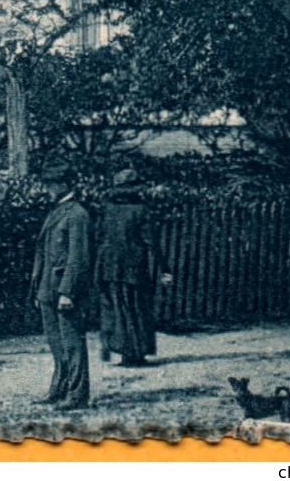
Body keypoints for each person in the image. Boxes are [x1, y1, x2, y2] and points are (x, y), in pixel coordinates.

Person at [30, 163, 93, 410]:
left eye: (50, 185)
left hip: (65, 291)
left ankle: (77, 395)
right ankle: (59, 389)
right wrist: (40, 289)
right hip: (48, 288)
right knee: (57, 345)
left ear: (64, 185)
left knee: (72, 343)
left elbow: (78, 257)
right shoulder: (58, 210)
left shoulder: (77, 214)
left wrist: (68, 291)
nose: (46, 189)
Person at [95, 168, 172, 367]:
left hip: (108, 265)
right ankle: (136, 352)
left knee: (115, 307)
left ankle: (120, 349)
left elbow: (99, 236)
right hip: (133, 266)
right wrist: (165, 268)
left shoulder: (107, 208)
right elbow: (151, 242)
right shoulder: (141, 209)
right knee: (136, 308)